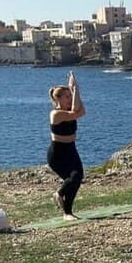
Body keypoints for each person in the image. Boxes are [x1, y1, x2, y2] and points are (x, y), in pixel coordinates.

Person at [47, 71, 86, 220]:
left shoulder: (69, 110)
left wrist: (75, 90)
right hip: (57, 153)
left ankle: (67, 211)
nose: (70, 99)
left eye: (70, 96)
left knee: (76, 179)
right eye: (67, 97)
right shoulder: (55, 114)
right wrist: (75, 89)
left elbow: (81, 111)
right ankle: (60, 197)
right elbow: (77, 112)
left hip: (71, 149)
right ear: (58, 99)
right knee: (73, 178)